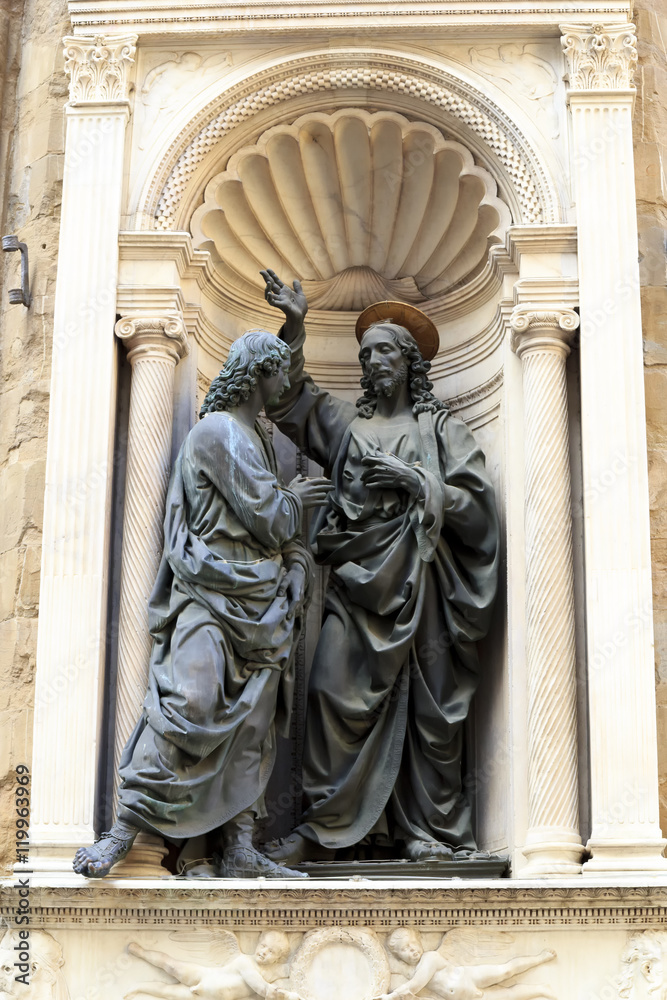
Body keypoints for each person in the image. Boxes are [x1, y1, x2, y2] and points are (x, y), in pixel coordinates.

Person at [73, 330, 332, 879]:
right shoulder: (216, 433)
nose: (285, 382)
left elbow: (278, 538)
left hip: (261, 602)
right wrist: (297, 502)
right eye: (279, 371)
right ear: (257, 374)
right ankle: (125, 828)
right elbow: (268, 514)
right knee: (187, 701)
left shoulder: (258, 438)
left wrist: (295, 566)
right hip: (211, 591)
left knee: (252, 724)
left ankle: (239, 845)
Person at [261, 270, 499, 864]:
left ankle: (426, 831)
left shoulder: (443, 431)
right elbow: (290, 402)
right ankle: (322, 825)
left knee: (427, 712)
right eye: (365, 354)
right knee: (328, 694)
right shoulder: (349, 427)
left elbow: (478, 510)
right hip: (355, 588)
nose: (372, 362)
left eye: (384, 351)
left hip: (422, 587)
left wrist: (419, 483)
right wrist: (295, 326)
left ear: (410, 361)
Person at [378, 929, 556, 1000]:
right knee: (509, 995)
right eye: (405, 950)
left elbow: (415, 986)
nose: (412, 950)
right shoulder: (410, 973)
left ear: (420, 941)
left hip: (469, 976)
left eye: (413, 944)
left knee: (506, 971)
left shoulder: (430, 958)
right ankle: (541, 989)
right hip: (468, 997)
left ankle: (540, 958)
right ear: (399, 957)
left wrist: (390, 997)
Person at [125, 931, 300, 1000]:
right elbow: (263, 989)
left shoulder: (270, 975)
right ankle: (141, 952)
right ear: (258, 943)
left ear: (277, 959)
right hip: (205, 976)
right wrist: (289, 997)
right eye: (263, 946)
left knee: (168, 993)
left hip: (208, 997)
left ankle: (140, 987)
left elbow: (290, 970)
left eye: (271, 952)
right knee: (172, 966)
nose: (264, 952)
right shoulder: (244, 962)